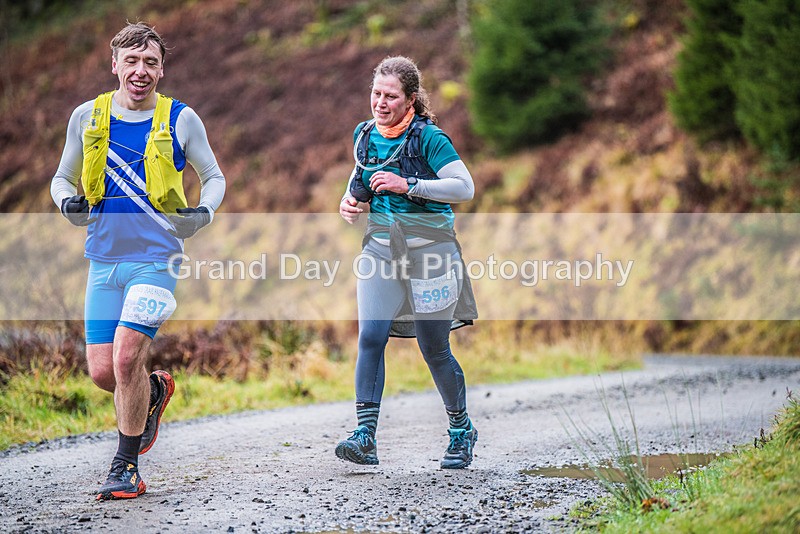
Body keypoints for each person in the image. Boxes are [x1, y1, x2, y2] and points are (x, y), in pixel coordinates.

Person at [50, 22, 225, 500]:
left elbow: (213, 176)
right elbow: (61, 178)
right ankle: (154, 389)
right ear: (115, 66)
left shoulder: (180, 119)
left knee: (127, 354)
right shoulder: (86, 115)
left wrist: (202, 213)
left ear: (161, 68)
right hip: (104, 260)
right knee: (105, 372)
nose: (141, 71)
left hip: (158, 257)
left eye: (150, 62)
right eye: (131, 61)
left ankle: (125, 466)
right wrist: (67, 203)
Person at [337, 56, 478, 469]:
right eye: (376, 93)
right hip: (380, 251)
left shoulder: (430, 138)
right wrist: (350, 204)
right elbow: (359, 182)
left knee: (434, 348)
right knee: (370, 337)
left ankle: (460, 430)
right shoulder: (364, 134)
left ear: (411, 99)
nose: (380, 103)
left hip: (432, 253)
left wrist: (408, 184)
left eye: (391, 96)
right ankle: (365, 436)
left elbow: (464, 187)